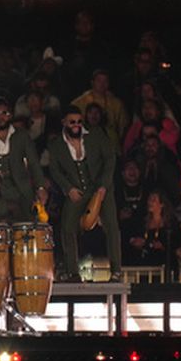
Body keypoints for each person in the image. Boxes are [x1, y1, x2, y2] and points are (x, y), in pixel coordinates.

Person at [48, 106, 121, 282]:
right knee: (67, 227)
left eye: (79, 122)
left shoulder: (95, 135)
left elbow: (110, 158)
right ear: (64, 122)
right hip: (77, 189)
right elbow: (55, 170)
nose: (76, 125)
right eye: (72, 122)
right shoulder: (56, 145)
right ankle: (73, 272)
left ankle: (116, 271)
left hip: (100, 188)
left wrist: (103, 185)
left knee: (111, 226)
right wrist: (68, 188)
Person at [124, 190, 181, 279]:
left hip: (166, 263)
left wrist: (162, 246)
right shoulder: (143, 222)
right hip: (147, 264)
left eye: (153, 200)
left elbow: (178, 243)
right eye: (149, 200)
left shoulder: (171, 223)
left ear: (161, 204)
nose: (150, 203)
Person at [71, 69, 129, 151]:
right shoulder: (80, 102)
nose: (102, 84)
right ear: (92, 83)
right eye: (99, 81)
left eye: (105, 81)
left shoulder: (116, 104)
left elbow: (123, 126)